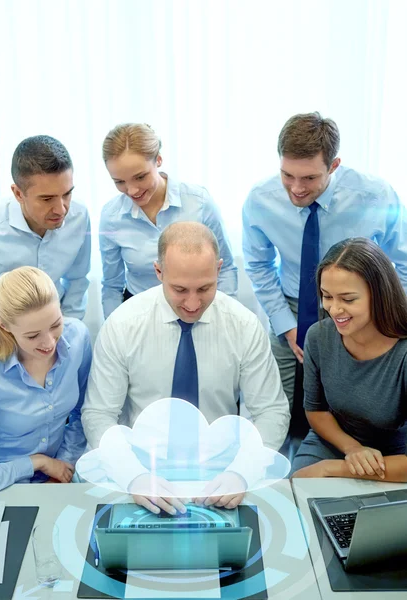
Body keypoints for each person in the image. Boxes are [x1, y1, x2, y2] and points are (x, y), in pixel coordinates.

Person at [82, 222, 290, 513]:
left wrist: (242, 472)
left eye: (204, 288)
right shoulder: (122, 325)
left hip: (221, 474)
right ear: (158, 272)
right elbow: (99, 414)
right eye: (179, 289)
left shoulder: (244, 326)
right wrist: (132, 476)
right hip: (141, 469)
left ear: (219, 270)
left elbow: (272, 411)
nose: (192, 303)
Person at [242, 112, 407, 410]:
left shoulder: (375, 196)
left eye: (309, 178)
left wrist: (385, 317)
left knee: (349, 406)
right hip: (291, 308)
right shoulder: (260, 199)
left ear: (334, 165)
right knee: (276, 405)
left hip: (362, 310)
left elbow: (404, 263)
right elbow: (258, 265)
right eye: (287, 175)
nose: (296, 188)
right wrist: (286, 325)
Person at [0, 135, 91, 381]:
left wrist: (66, 331)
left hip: (50, 333)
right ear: (18, 193)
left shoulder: (79, 216)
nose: (62, 209)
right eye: (47, 199)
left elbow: (77, 278)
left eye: (67, 194)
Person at [0, 267, 92, 501]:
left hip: (58, 480)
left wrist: (62, 466)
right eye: (33, 335)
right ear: (4, 326)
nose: (49, 343)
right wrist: (36, 463)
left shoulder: (78, 337)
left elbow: (82, 413)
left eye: (56, 324)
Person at [292, 238, 407, 481]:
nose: (334, 309)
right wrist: (352, 449)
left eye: (347, 299)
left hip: (398, 456)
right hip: (334, 441)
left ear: (379, 295)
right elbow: (316, 411)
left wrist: (334, 468)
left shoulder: (403, 352)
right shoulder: (318, 336)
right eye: (327, 296)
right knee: (296, 493)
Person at [99, 123, 238, 319]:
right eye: (119, 182)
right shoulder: (111, 216)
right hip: (139, 314)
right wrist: (113, 329)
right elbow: (112, 285)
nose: (132, 190)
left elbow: (226, 269)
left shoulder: (199, 202)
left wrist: (223, 318)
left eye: (140, 177)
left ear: (158, 160)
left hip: (198, 308)